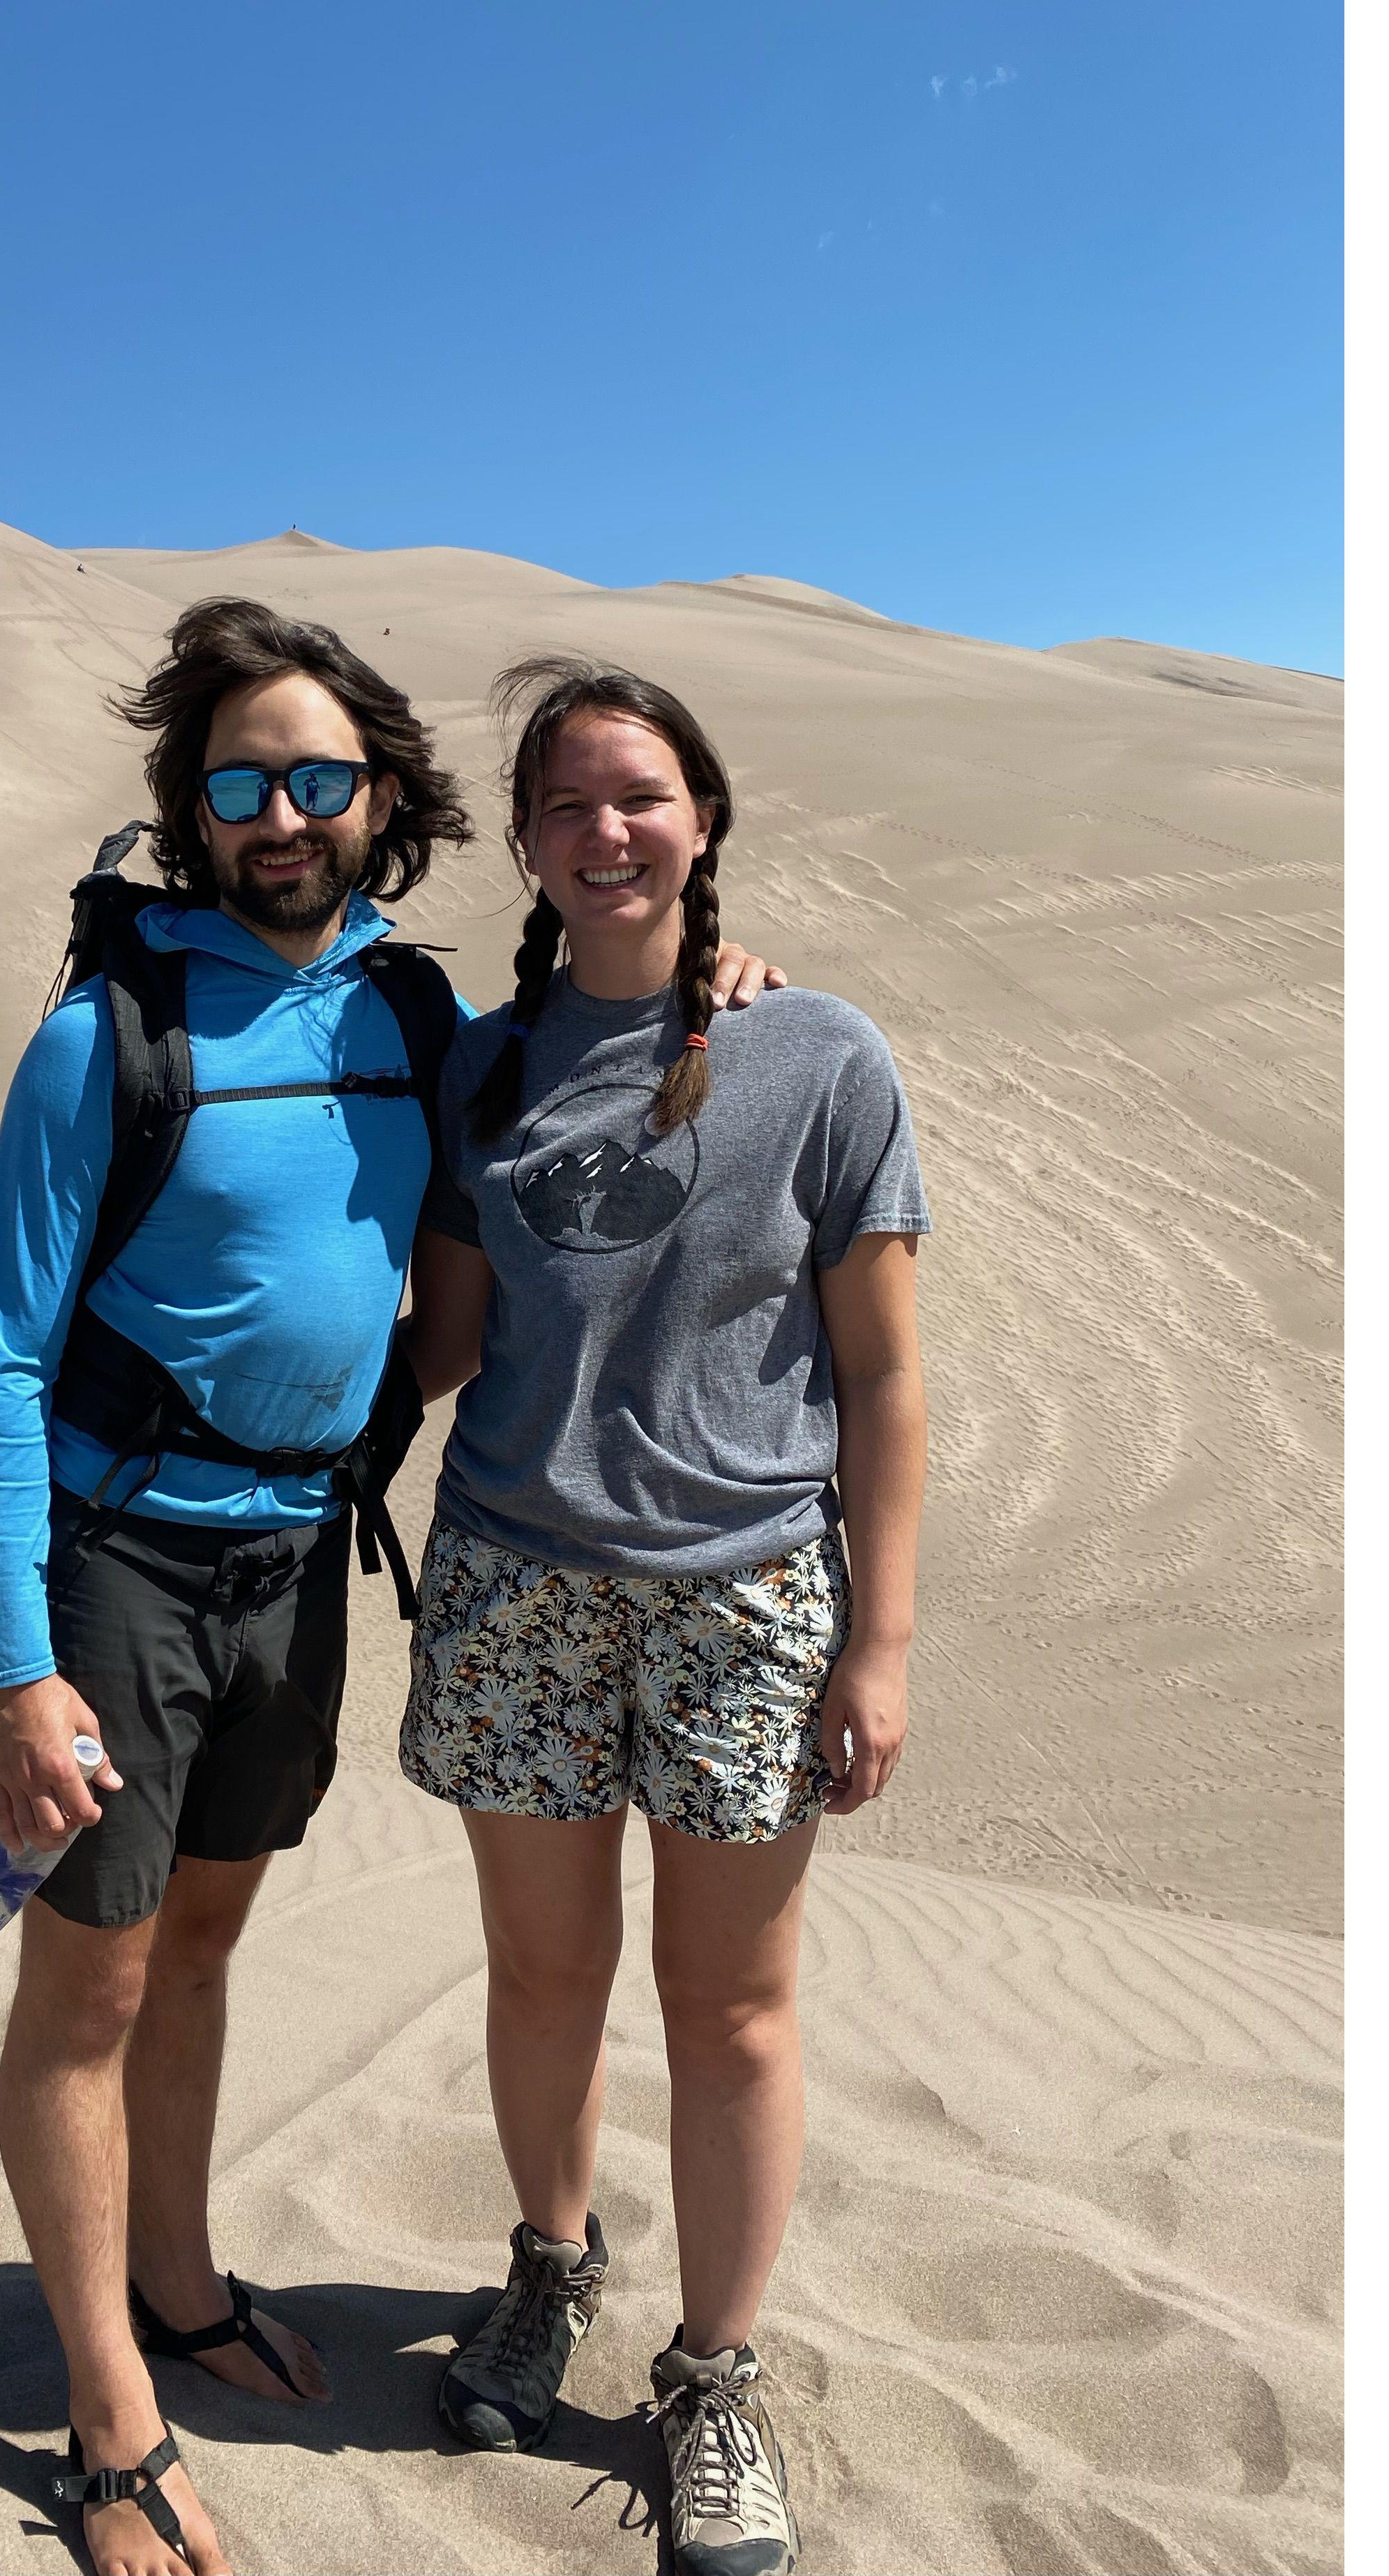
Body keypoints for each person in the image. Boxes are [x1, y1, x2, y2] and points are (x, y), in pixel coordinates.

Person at [0, 606, 779, 2576]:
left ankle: (175, 2281)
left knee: (205, 1953)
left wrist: (723, 986)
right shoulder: (109, 1033)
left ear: (383, 800)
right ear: (195, 808)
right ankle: (109, 2421)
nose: (281, 813)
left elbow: (523, 1174)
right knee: (92, 1985)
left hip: (301, 1557)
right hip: (121, 1563)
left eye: (320, 777)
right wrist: (16, 1673)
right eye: (240, 781)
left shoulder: (413, 1021)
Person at [403, 659, 928, 2576]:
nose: (606, 832)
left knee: (729, 2014)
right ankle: (551, 2272)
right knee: (544, 1985)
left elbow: (883, 1376)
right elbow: (449, 1343)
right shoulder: (483, 1060)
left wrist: (877, 1643)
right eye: (567, 804)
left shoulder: (824, 1057)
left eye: (639, 795)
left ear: (702, 816)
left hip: (743, 1601)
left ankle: (714, 2380)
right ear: (529, 845)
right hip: (516, 1584)